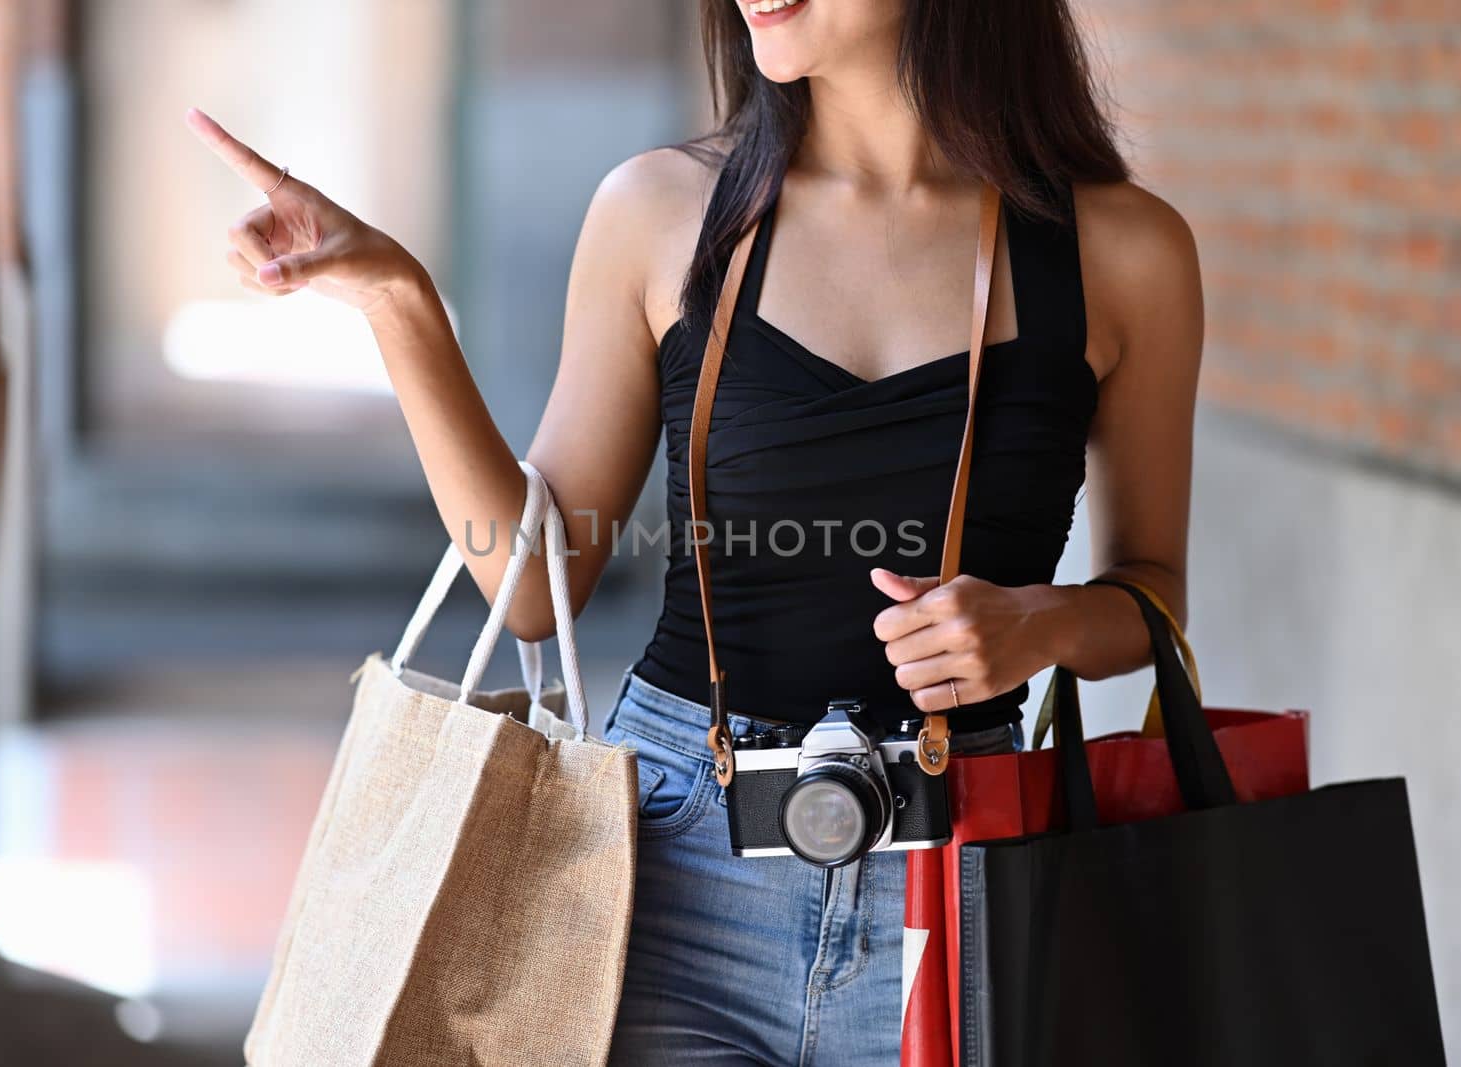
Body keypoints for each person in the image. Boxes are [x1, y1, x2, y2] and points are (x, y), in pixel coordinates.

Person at [189, 0, 1203, 1061]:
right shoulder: (661, 212)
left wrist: (1039, 623)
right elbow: (536, 585)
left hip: (965, 870)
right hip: (673, 861)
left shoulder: (1125, 252)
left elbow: (1152, 591)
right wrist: (398, 302)